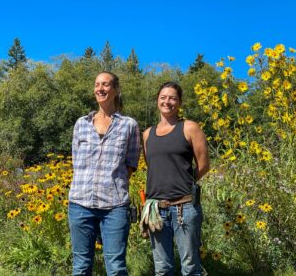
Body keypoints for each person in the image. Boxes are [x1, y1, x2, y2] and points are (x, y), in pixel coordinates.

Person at [68, 71, 140, 276]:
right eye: (97, 84)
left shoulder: (129, 125)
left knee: (116, 267)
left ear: (116, 90)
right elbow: (76, 162)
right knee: (81, 266)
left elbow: (130, 165)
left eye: (106, 84)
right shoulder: (81, 124)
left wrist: (111, 183)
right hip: (80, 204)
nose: (100, 88)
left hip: (114, 206)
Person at [142, 82, 210, 276]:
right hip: (156, 209)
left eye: (173, 98)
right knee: (162, 269)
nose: (167, 101)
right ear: (157, 101)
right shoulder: (147, 134)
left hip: (185, 208)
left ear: (179, 103)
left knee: (190, 267)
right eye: (163, 97)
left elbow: (204, 165)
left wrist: (186, 182)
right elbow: (153, 166)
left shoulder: (189, 128)